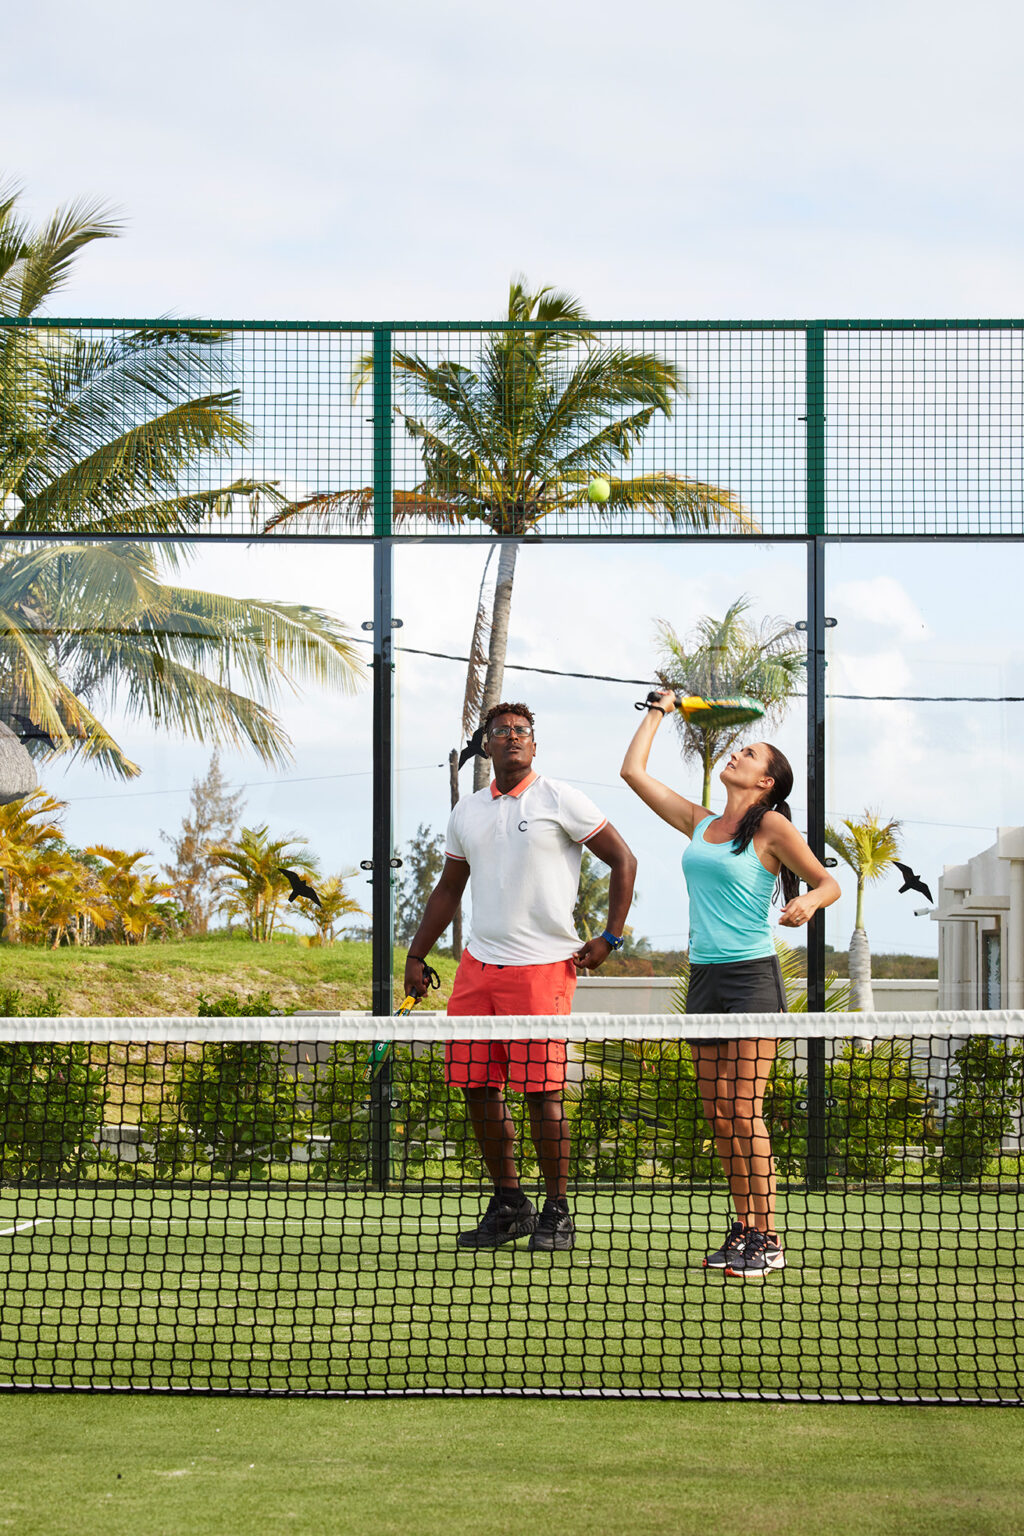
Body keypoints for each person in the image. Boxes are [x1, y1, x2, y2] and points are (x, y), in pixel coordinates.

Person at [621, 691, 840, 1279]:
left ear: (767, 782)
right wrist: (659, 710)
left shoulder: (770, 827)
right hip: (704, 978)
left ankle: (768, 1238)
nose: (738, 753)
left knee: (746, 1110)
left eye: (750, 752)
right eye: (741, 747)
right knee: (719, 1114)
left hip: (752, 980)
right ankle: (744, 1226)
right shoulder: (702, 822)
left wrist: (808, 906)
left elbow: (826, 883)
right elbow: (633, 772)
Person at [404, 701, 637, 1252]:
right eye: (501, 731)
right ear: (486, 745)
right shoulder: (468, 812)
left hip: (543, 971)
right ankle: (511, 1204)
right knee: (477, 1089)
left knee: (541, 1093)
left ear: (535, 746)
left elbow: (623, 860)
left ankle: (557, 1210)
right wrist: (417, 955)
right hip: (476, 971)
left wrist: (610, 937)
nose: (511, 737)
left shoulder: (561, 799)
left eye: (522, 731)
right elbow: (448, 888)